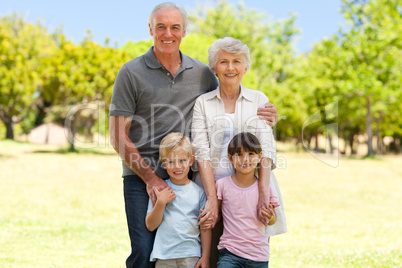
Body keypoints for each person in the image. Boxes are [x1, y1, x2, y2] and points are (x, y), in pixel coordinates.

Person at [109, 3, 279, 267]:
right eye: (161, 26)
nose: (168, 33)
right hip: (142, 175)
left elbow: (229, 92)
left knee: (196, 250)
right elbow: (118, 135)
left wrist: (268, 114)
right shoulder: (130, 73)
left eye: (175, 27)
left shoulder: (201, 74)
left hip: (189, 177)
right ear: (150, 29)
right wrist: (151, 179)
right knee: (144, 251)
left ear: (184, 31)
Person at [191, 37, 287, 267]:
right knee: (214, 256)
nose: (231, 67)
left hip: (251, 192)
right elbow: (201, 151)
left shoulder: (258, 99)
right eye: (224, 62)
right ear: (214, 68)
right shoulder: (203, 103)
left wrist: (263, 192)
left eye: (237, 61)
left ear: (246, 67)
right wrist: (212, 198)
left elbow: (266, 148)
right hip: (212, 187)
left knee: (250, 254)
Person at [145, 133, 211, 268]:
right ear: (163, 164)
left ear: (191, 161)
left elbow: (205, 227)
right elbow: (150, 225)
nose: (177, 166)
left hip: (191, 255)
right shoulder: (160, 190)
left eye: (182, 160)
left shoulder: (199, 192)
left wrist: (205, 256)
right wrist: (161, 203)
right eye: (171, 162)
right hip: (164, 256)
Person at [214, 132, 280, 268]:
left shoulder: (266, 189)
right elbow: (218, 214)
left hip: (258, 256)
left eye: (251, 154)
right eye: (239, 154)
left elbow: (273, 220)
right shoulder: (222, 185)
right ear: (230, 158)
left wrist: (270, 216)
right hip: (230, 253)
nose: (245, 159)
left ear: (260, 156)